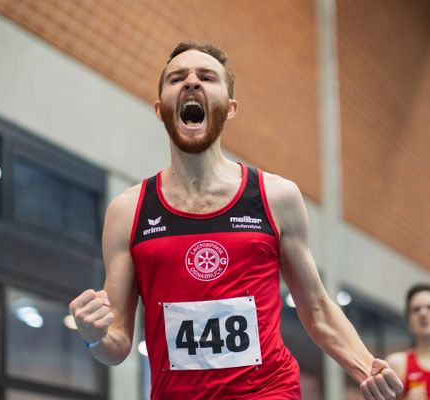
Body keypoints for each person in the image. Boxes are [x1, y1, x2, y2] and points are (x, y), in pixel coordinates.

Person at [69, 40, 403, 399]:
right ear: (159, 108)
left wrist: (365, 367)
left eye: (207, 77)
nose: (191, 82)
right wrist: (93, 337)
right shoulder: (128, 210)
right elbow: (117, 343)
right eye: (177, 77)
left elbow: (317, 307)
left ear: (229, 108)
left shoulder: (275, 197)